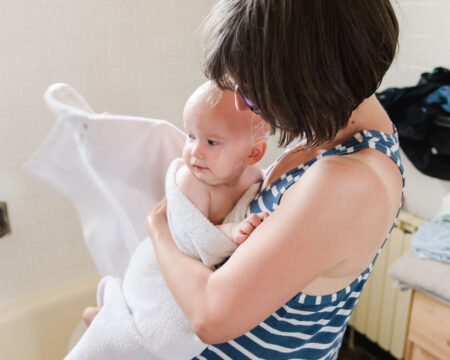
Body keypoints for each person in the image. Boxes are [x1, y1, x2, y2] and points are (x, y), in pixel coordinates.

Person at [145, 1, 404, 359]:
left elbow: (210, 317)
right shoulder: (327, 129)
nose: (239, 104)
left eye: (251, 93)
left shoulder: (347, 181)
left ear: (309, 80)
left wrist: (157, 225)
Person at [71, 81, 270, 360]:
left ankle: (106, 320)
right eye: (190, 135)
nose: (194, 151)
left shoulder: (256, 179)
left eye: (211, 142)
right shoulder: (191, 181)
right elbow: (192, 241)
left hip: (178, 269)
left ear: (252, 154)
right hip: (156, 269)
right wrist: (230, 231)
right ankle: (110, 324)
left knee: (134, 336)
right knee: (142, 333)